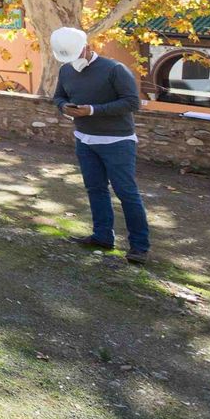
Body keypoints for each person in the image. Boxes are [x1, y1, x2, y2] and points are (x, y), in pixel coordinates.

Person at [50, 27, 150, 264]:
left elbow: (132, 102)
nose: (73, 61)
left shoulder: (114, 69)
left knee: (126, 193)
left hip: (117, 141)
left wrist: (93, 110)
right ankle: (103, 236)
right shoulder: (65, 70)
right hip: (84, 140)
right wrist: (64, 107)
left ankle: (139, 246)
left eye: (75, 55)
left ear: (87, 47)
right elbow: (59, 97)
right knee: (95, 189)